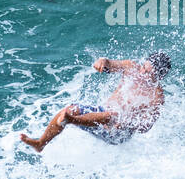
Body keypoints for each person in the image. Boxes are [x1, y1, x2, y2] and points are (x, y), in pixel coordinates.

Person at [19, 52, 170, 153]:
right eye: (144, 67)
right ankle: (40, 143)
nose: (142, 73)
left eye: (149, 73)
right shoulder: (132, 67)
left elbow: (145, 128)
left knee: (115, 115)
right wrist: (102, 61)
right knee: (72, 109)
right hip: (103, 111)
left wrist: (131, 120)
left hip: (119, 133)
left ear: (159, 76)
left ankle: (72, 121)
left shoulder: (157, 96)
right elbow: (109, 64)